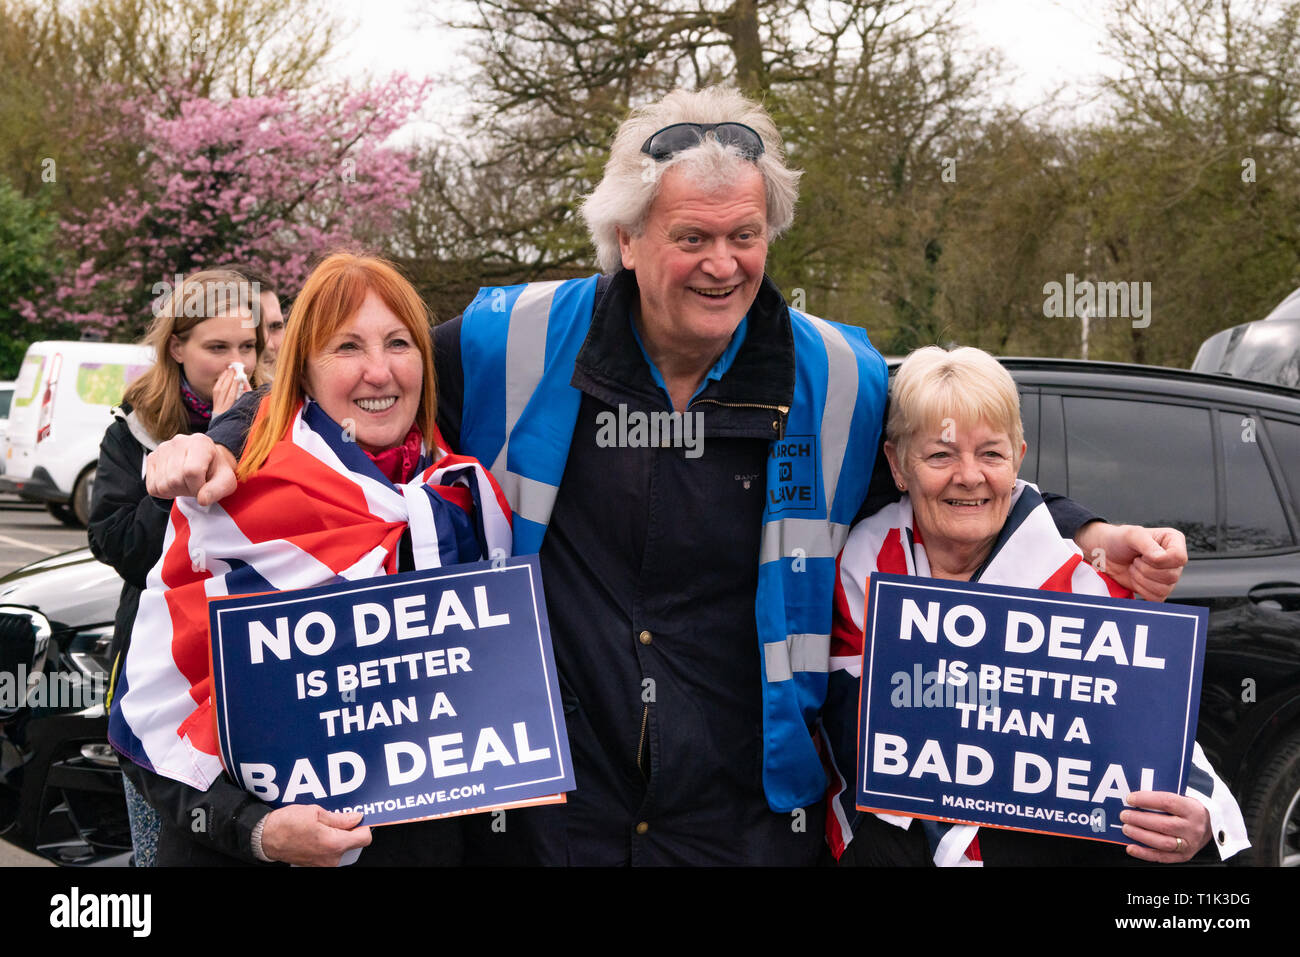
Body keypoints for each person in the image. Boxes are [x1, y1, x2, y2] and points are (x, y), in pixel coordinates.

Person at [142, 87, 1189, 865]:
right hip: (548, 818)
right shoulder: (516, 339)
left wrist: (1089, 531)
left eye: (745, 236)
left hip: (747, 819)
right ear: (628, 240)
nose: (722, 264)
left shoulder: (835, 374)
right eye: (691, 236)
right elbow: (352, 381)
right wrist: (225, 437)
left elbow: (952, 462)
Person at [107, 252, 511, 866]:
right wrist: (258, 831)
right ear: (303, 370)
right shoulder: (230, 495)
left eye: (399, 342)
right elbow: (155, 723)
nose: (379, 371)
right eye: (346, 348)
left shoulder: (465, 499)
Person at [824, 346, 1249, 866]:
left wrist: (1201, 817)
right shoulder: (857, 564)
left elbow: (1148, 738)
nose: (969, 475)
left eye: (991, 454)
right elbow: (851, 734)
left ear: (1019, 458)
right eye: (940, 455)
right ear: (897, 464)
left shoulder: (1082, 577)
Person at [88, 267, 264, 865]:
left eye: (247, 346)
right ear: (177, 347)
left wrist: (238, 431)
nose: (234, 363)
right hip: (162, 673)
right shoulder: (134, 427)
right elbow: (121, 548)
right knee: (162, 844)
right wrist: (183, 470)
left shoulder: (283, 418)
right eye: (216, 347)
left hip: (251, 665)